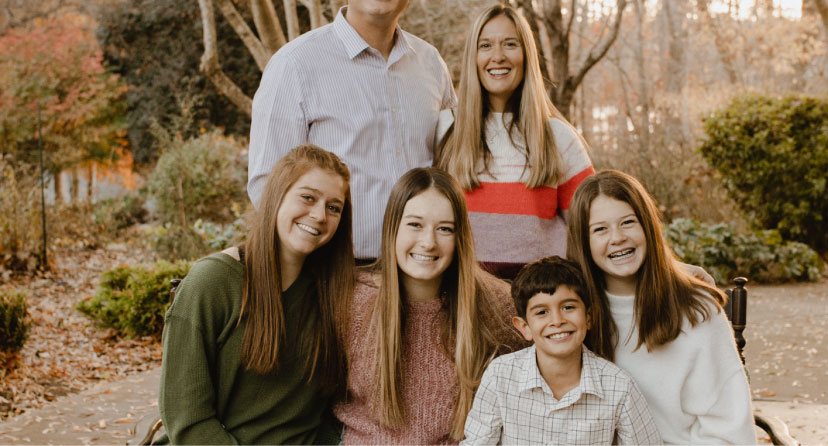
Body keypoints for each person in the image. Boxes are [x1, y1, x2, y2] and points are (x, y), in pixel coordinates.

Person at [248, 0, 456, 261]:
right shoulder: (295, 65)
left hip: (422, 270)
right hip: (334, 271)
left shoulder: (431, 64)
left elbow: (450, 165)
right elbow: (266, 184)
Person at [158, 144, 355, 444]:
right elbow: (188, 420)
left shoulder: (331, 294)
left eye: (333, 207)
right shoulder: (212, 283)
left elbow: (332, 412)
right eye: (307, 197)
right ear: (277, 196)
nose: (319, 215)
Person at [333, 167, 524, 444]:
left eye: (444, 229)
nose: (428, 242)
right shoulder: (352, 301)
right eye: (415, 225)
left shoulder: (496, 306)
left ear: (460, 237)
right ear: (392, 228)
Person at [566, 170, 756, 445]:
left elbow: (730, 433)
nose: (617, 237)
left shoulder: (698, 313)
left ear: (648, 227)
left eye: (628, 222)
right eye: (600, 229)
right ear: (584, 242)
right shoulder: (571, 317)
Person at [436, 4, 593, 278]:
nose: (497, 57)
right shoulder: (445, 130)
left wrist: (668, 268)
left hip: (541, 305)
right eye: (485, 46)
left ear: (526, 55)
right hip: (468, 302)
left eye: (510, 44)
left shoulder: (558, 137)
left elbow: (597, 226)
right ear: (473, 57)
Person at [461, 256, 662, 445]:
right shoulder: (500, 375)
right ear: (525, 328)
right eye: (542, 312)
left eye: (568, 307)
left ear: (589, 317)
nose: (557, 321)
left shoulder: (618, 386)